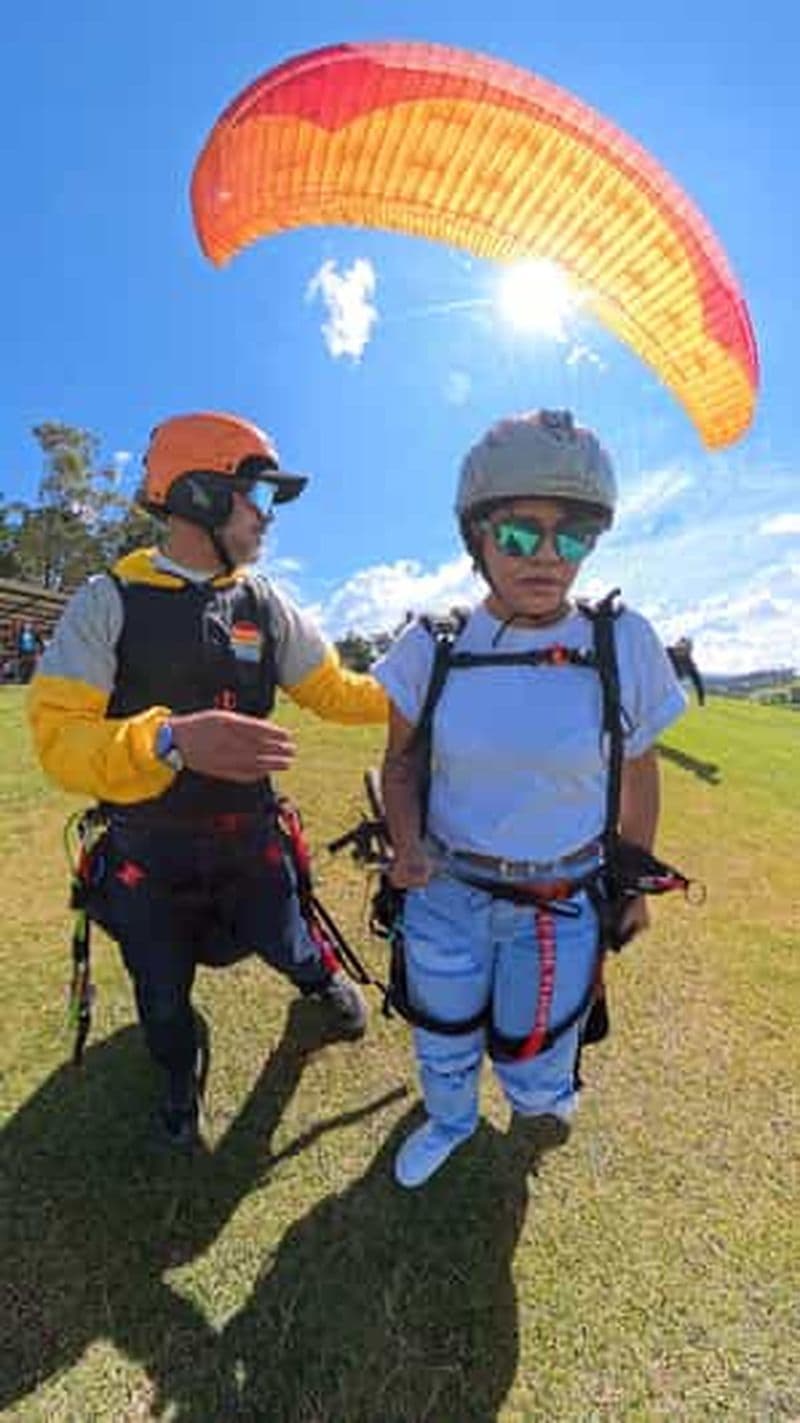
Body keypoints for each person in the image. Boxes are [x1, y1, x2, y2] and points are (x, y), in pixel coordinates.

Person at [28, 411, 387, 1147]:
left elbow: (336, 692)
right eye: (260, 493)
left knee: (289, 938)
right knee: (160, 993)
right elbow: (59, 740)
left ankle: (319, 982)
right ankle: (176, 1071)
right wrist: (170, 741)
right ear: (200, 494)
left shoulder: (266, 603)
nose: (268, 515)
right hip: (146, 854)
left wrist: (428, 685)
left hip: (249, 840)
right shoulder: (107, 600)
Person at [373, 409, 686, 1188]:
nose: (547, 556)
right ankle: (450, 1119)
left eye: (573, 537)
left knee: (537, 1050)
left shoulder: (622, 641)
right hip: (447, 891)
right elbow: (400, 766)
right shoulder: (432, 645)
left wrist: (632, 884)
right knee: (442, 1036)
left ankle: (538, 1094)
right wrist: (406, 846)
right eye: (519, 533)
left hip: (560, 898)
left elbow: (639, 771)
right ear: (477, 537)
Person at [666, 636, 706, 705]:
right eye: (679, 648)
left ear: (688, 652)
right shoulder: (667, 651)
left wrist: (701, 700)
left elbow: (698, 682)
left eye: (683, 650)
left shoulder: (690, 664)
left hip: (671, 687)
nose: (679, 652)